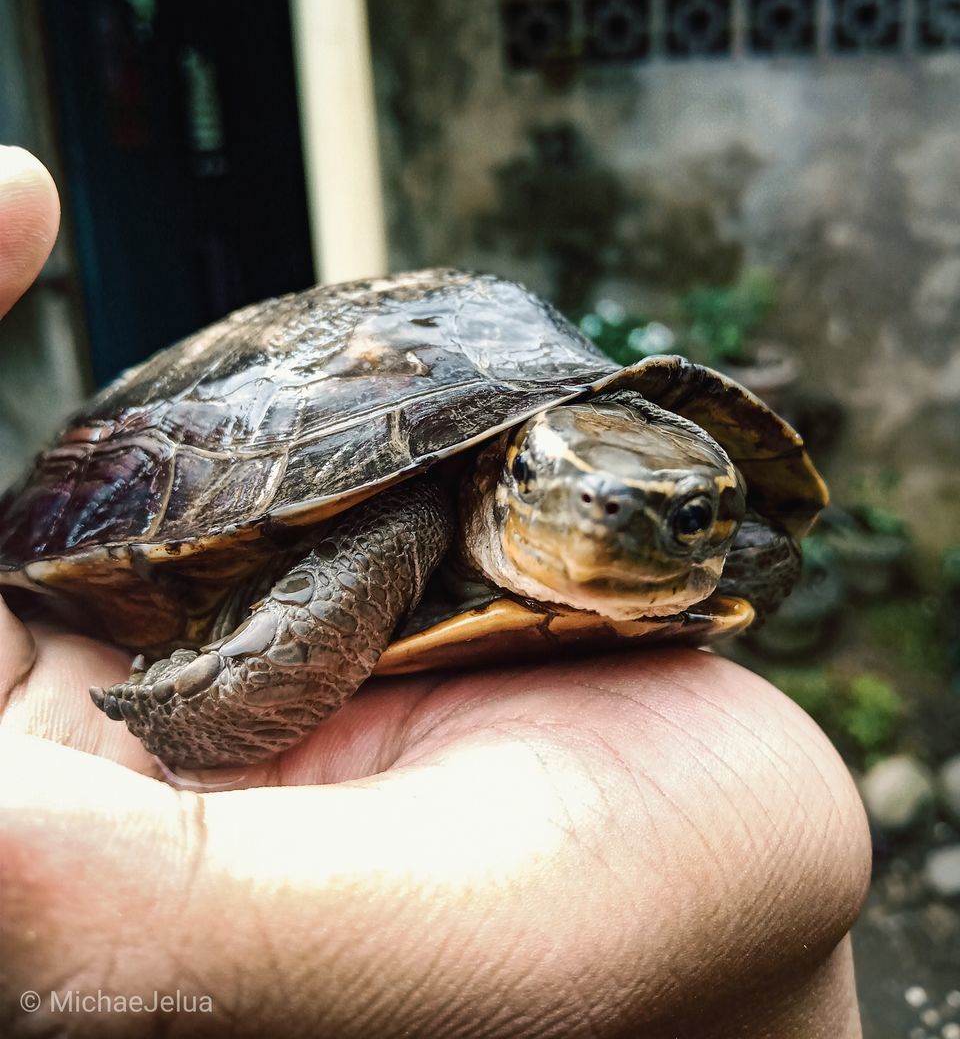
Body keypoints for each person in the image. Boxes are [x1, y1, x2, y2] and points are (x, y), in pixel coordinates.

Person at [0, 145, 869, 1038]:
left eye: (686, 519)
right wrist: (231, 704)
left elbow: (761, 552)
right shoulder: (416, 514)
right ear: (500, 473)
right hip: (224, 472)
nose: (600, 524)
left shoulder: (734, 554)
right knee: (395, 536)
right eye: (542, 480)